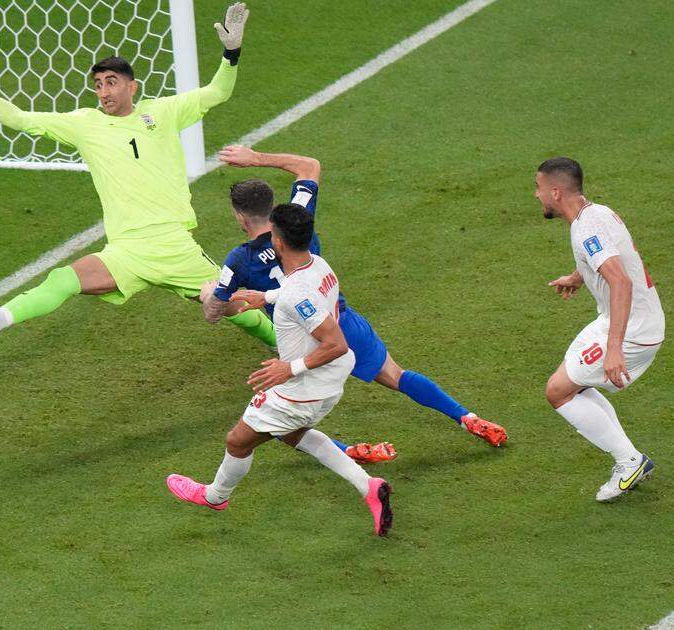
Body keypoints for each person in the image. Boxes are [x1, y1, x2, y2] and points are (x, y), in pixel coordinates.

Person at [0, 3, 276, 348]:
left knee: (232, 306)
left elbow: (218, 92)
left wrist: (231, 53)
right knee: (65, 279)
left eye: (112, 82)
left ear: (132, 86)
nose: (104, 91)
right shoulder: (84, 124)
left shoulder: (164, 111)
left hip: (172, 245)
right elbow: (22, 120)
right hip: (125, 249)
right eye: (98, 85)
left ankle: (288, 346)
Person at [206, 145, 508, 451]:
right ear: (271, 207)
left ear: (242, 218)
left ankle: (348, 452)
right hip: (340, 322)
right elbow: (310, 165)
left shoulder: (239, 260)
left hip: (299, 348)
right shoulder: (298, 221)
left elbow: (216, 311)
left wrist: (211, 294)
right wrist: (257, 159)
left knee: (277, 423)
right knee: (396, 375)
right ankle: (467, 417)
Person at [167, 203, 393, 536]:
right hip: (330, 381)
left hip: (303, 388)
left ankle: (215, 496)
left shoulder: (295, 293)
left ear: (279, 242)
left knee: (238, 441)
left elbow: (336, 343)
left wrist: (290, 368)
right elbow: (302, 297)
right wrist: (268, 297)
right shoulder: (318, 265)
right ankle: (369, 486)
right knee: (293, 434)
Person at [536, 157, 664, 501]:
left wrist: (615, 348)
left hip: (633, 329)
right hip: (623, 319)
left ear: (556, 191)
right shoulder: (596, 214)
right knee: (570, 387)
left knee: (558, 391)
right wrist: (579, 277)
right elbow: (613, 260)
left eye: (539, 187)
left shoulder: (587, 227)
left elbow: (620, 281)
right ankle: (630, 459)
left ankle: (629, 460)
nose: (536, 195)